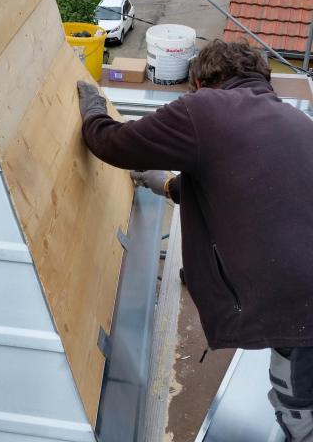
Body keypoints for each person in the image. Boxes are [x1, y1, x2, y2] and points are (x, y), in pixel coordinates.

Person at [77, 39, 313, 442]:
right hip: (302, 286)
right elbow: (248, 182)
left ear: (201, 83)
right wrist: (169, 185)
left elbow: (112, 143)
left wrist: (93, 108)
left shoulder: (204, 109)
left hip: (297, 305)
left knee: (299, 408)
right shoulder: (297, 123)